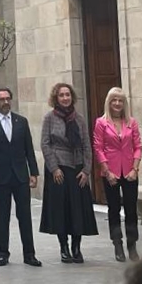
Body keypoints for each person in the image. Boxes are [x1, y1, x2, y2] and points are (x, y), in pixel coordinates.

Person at [0, 87, 41, 267]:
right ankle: (3, 253)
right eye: (2, 99)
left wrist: (34, 172)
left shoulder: (21, 121)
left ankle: (29, 253)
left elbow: (29, 148)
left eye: (8, 99)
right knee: (2, 216)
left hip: (20, 175)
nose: (6, 102)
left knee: (25, 215)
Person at [39, 83, 98, 263]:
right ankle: (63, 247)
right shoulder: (49, 118)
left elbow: (87, 145)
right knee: (61, 209)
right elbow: (45, 143)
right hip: (58, 168)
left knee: (77, 209)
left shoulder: (79, 119)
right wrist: (54, 168)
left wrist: (87, 170)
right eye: (61, 95)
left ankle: (76, 246)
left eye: (68, 95)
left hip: (77, 168)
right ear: (56, 98)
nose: (65, 98)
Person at [93, 86, 142, 262]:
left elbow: (138, 146)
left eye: (120, 100)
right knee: (114, 208)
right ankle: (117, 244)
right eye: (114, 100)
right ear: (109, 102)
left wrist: (134, 169)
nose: (117, 103)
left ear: (124, 103)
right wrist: (107, 171)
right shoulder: (101, 122)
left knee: (131, 209)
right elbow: (98, 147)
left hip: (129, 171)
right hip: (111, 171)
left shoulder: (131, 122)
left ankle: (132, 244)